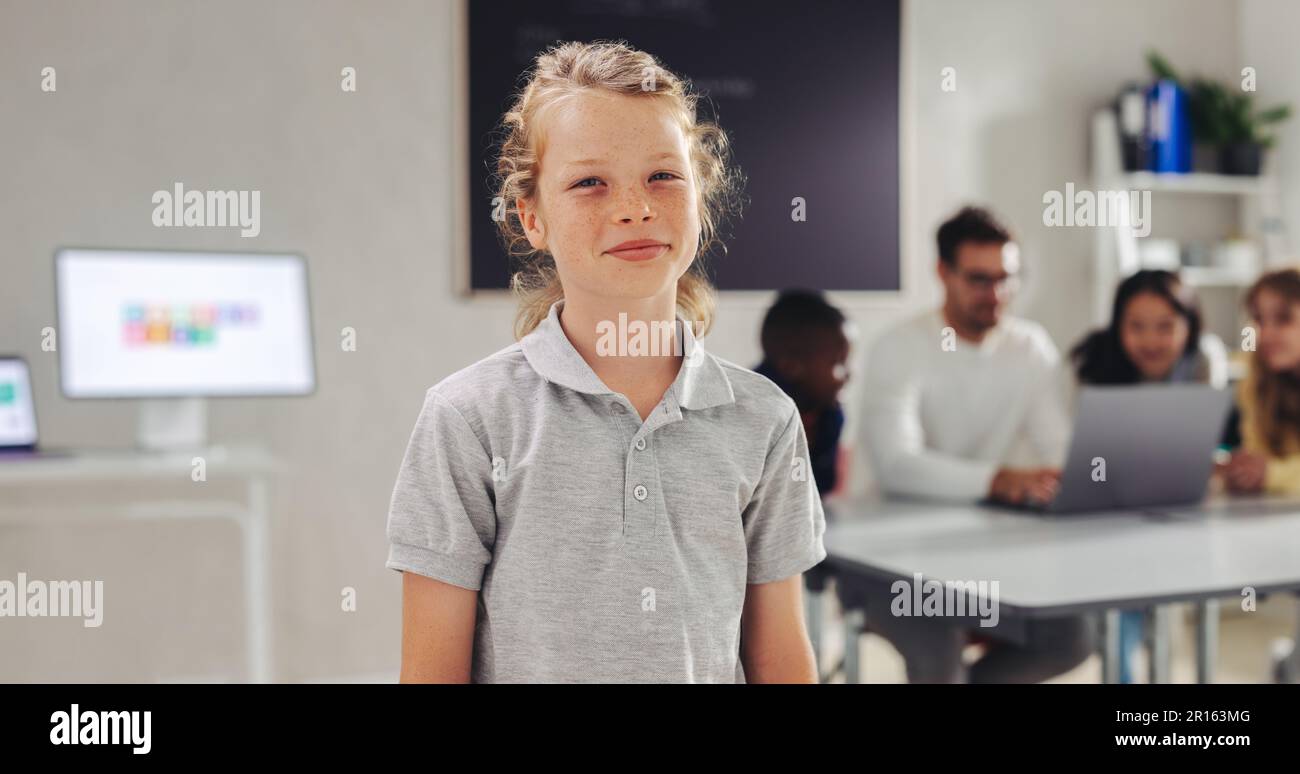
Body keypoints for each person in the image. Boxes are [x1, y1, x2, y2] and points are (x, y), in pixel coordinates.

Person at [385, 41, 825, 683]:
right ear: (532, 218)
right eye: (590, 182)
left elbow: (781, 658)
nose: (635, 207)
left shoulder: (764, 419)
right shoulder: (470, 419)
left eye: (664, 176)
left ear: (700, 201)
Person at [846, 205, 1094, 683]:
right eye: (980, 279)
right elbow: (898, 465)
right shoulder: (899, 348)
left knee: (1073, 637)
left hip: (982, 554)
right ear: (943, 272)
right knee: (938, 651)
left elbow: (1057, 448)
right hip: (884, 560)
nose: (996, 294)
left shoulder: (1030, 347)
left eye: (1007, 278)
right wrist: (998, 480)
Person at [1070, 269, 1226, 683]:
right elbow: (1077, 455)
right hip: (1102, 516)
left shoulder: (1204, 360)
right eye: (1136, 326)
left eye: (1165, 326)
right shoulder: (1090, 363)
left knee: (1163, 609)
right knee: (1119, 616)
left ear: (1188, 326)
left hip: (1174, 512)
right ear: (1117, 325)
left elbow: (1202, 441)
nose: (1151, 341)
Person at [753, 289, 851, 497]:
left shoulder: (831, 416)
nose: (848, 375)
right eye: (838, 363)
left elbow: (822, 487)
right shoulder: (749, 410)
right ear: (791, 365)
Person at [1222, 268, 1300, 495]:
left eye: (1283, 318)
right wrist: (1243, 471)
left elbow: (1270, 470)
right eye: (1258, 319)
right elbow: (1259, 455)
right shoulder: (1259, 386)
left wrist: (1270, 474)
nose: (1265, 333)